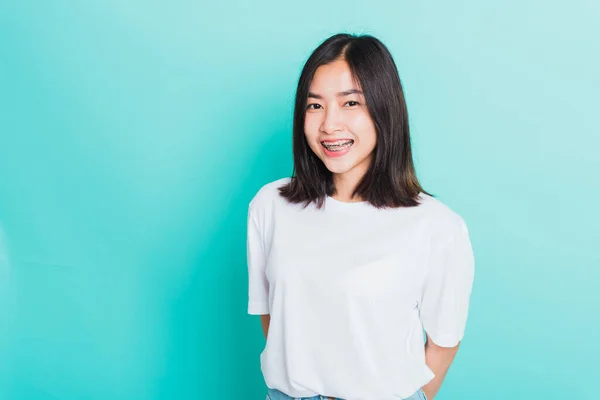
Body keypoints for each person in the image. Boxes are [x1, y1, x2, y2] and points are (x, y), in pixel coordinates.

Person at [246, 33, 475, 400]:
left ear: (385, 109)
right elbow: (273, 319)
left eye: (350, 103)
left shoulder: (436, 225)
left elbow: (444, 344)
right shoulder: (270, 205)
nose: (329, 125)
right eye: (315, 106)